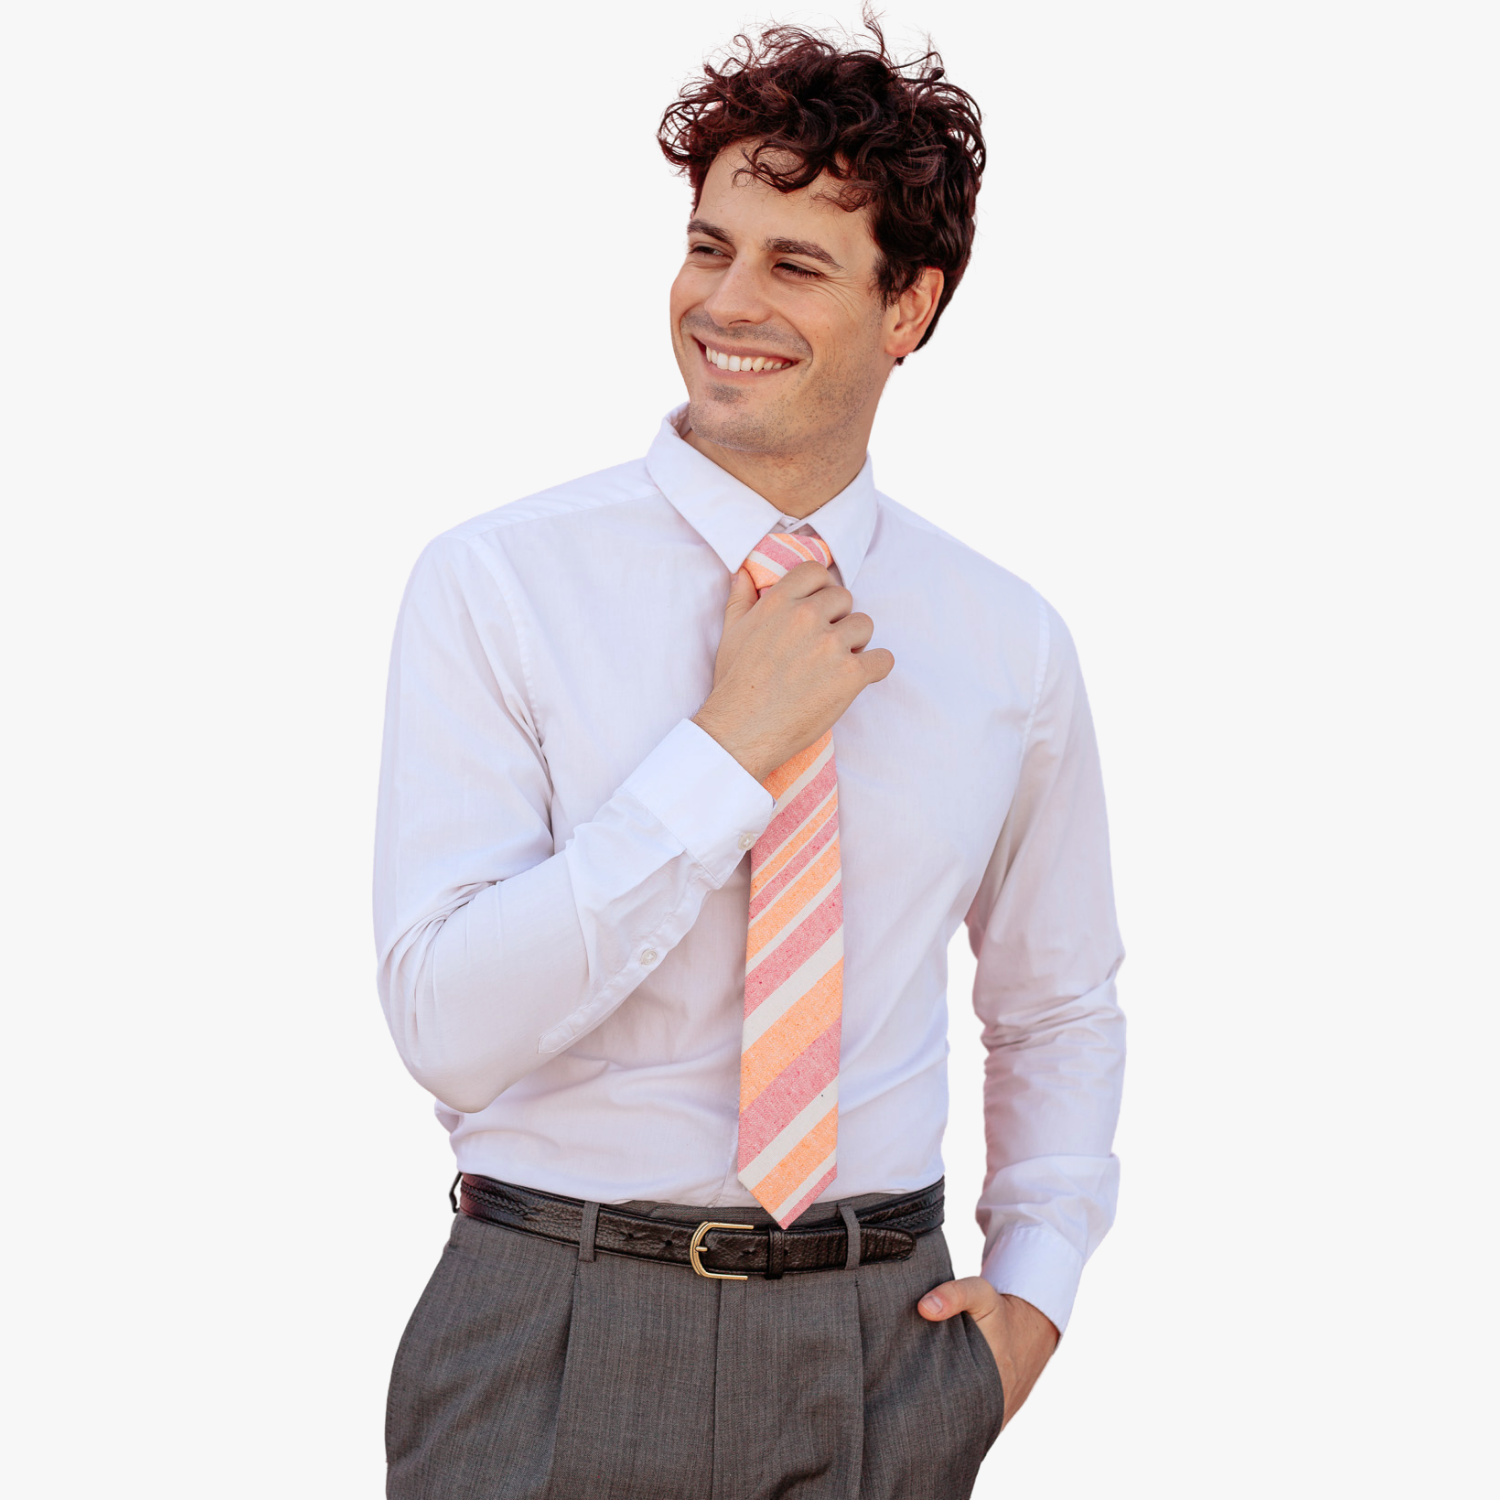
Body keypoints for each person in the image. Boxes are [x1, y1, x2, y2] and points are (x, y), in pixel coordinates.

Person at [375, 17, 1124, 1498]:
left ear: (910, 307)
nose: (726, 301)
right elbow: (442, 1024)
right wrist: (727, 751)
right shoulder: (496, 585)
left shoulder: (1006, 640)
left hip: (883, 1340)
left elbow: (1057, 1003)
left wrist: (1037, 1286)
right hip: (551, 1327)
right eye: (710, 246)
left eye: (795, 264)